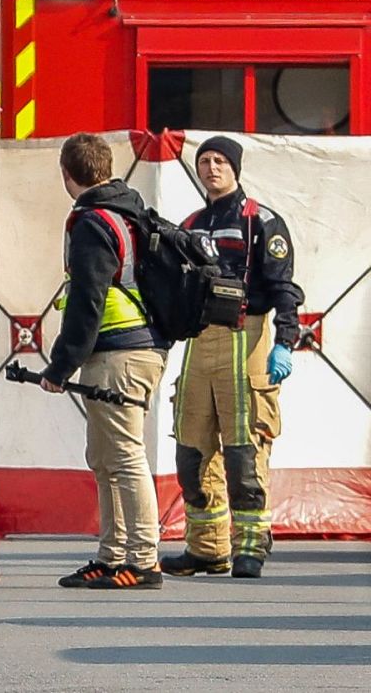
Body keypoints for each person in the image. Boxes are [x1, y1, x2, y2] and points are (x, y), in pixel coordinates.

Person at [163, 136, 302, 580]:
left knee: (244, 453)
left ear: (235, 168)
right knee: (191, 451)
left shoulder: (261, 221)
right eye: (204, 161)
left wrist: (285, 340)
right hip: (200, 343)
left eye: (220, 160)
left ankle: (250, 548)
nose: (211, 167)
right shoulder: (191, 223)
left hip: (249, 338)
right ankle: (206, 549)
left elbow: (284, 289)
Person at [41, 133, 168, 590]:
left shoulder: (94, 222)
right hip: (135, 348)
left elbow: (87, 300)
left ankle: (143, 559)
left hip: (120, 351)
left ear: (66, 173)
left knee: (126, 456)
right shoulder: (129, 211)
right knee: (104, 456)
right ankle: (113, 556)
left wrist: (60, 367)